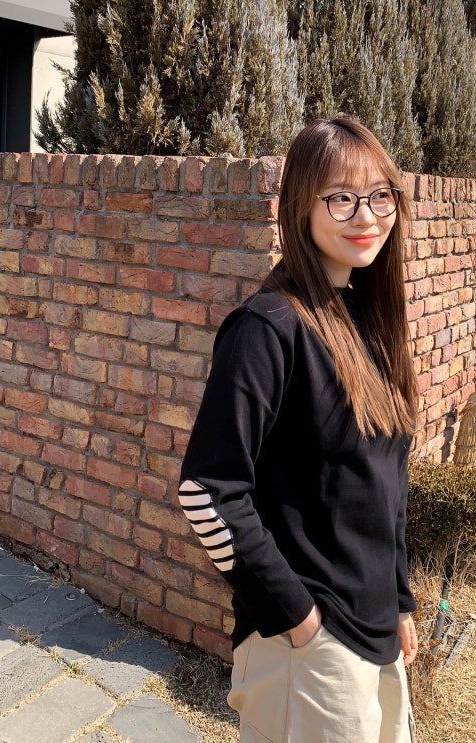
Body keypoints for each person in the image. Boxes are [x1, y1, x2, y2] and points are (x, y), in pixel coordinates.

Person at [179, 117, 420, 743]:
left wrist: (398, 600)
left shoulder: (368, 318)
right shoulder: (268, 327)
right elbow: (207, 492)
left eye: (380, 195)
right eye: (340, 198)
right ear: (300, 207)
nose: (366, 215)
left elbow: (386, 483)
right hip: (312, 652)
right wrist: (300, 620)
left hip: (374, 635)